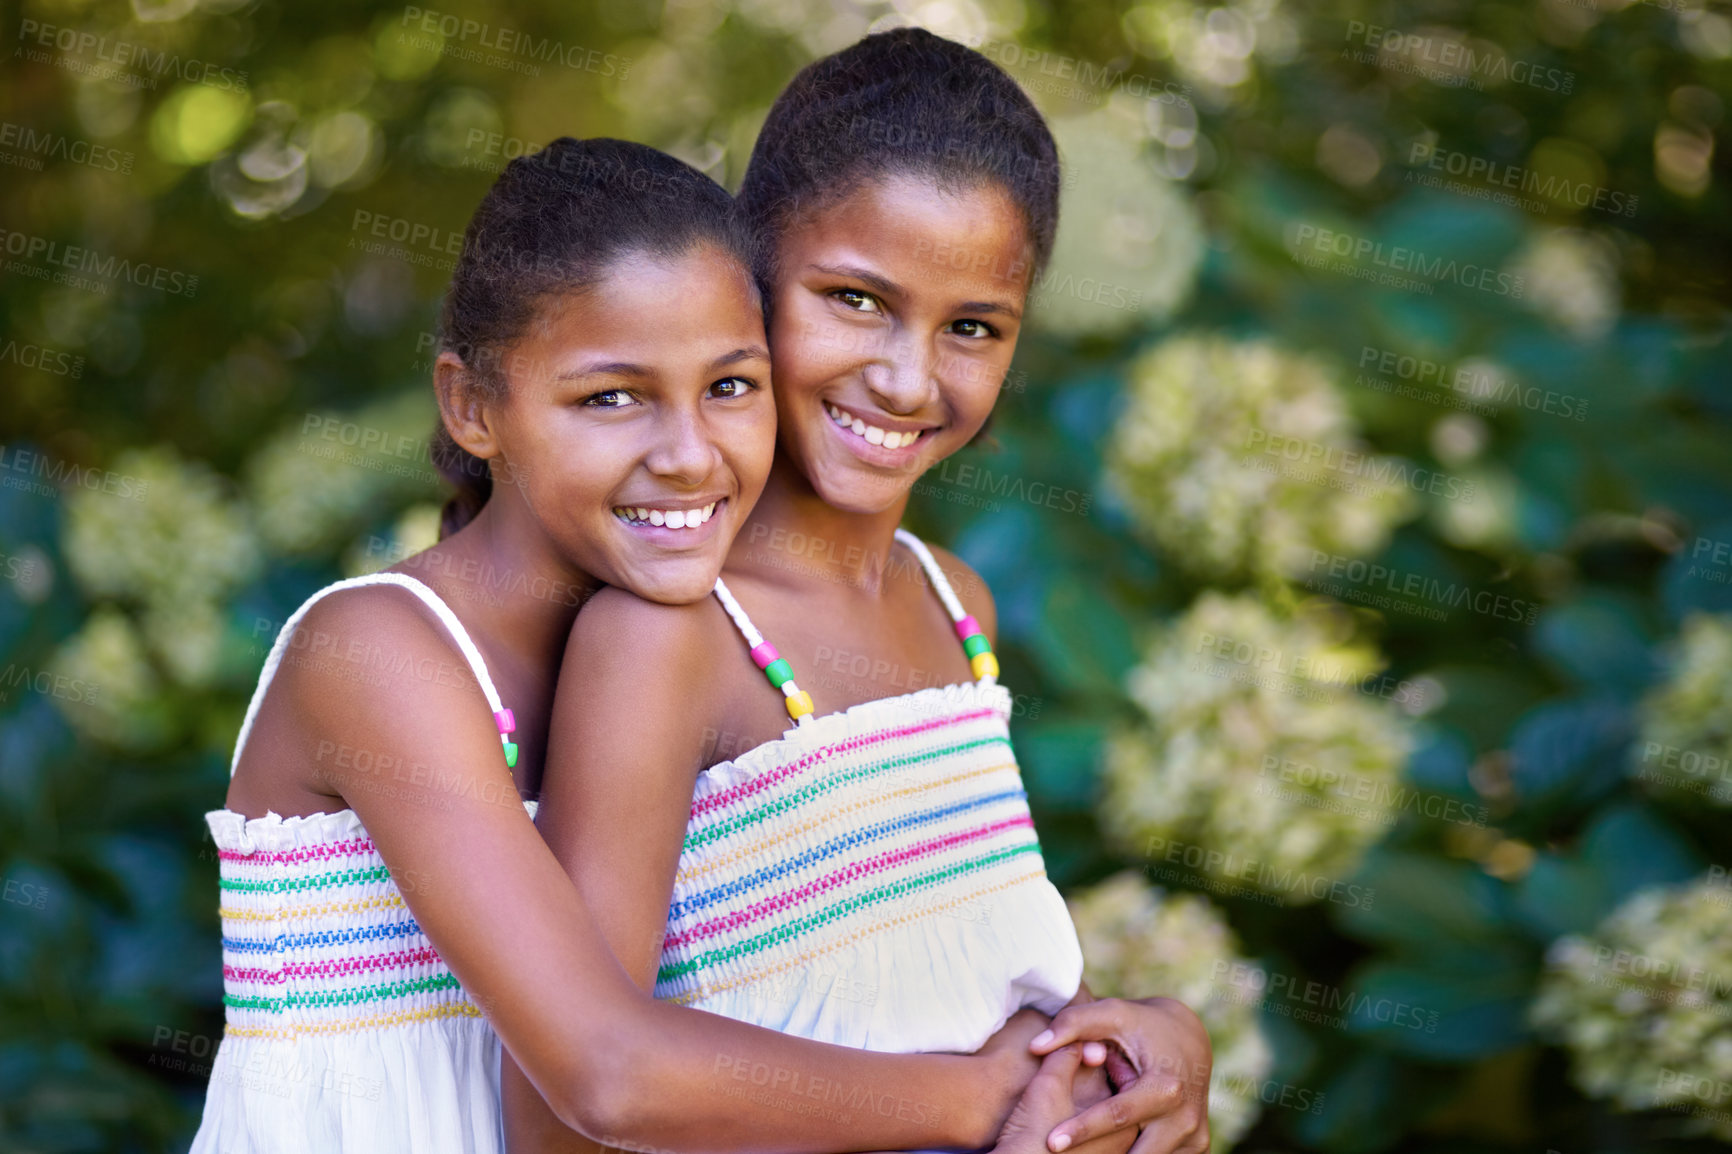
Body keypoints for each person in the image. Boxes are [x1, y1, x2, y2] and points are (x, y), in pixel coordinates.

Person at [192, 136, 1097, 1154]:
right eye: (609, 398)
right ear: (472, 405)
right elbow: (605, 1073)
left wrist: (1131, 1040)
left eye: (728, 386)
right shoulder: (381, 650)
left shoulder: (687, 655)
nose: (685, 455)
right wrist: (979, 1099)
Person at [511, 32, 1212, 1154]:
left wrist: (1158, 1038)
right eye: (854, 298)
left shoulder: (955, 604)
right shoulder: (670, 638)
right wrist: (972, 1099)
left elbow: (939, 988)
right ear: (744, 275)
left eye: (971, 327)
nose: (905, 376)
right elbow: (565, 1110)